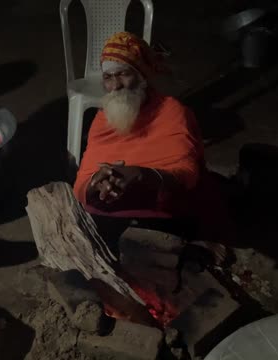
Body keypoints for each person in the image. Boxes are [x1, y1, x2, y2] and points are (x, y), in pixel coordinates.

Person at [73, 32, 235, 263]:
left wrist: (142, 174)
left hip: (165, 198)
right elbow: (82, 182)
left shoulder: (172, 111)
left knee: (200, 189)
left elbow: (186, 173)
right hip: (120, 200)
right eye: (108, 77)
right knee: (93, 206)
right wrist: (97, 183)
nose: (116, 85)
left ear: (142, 77)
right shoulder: (103, 118)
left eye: (123, 74)